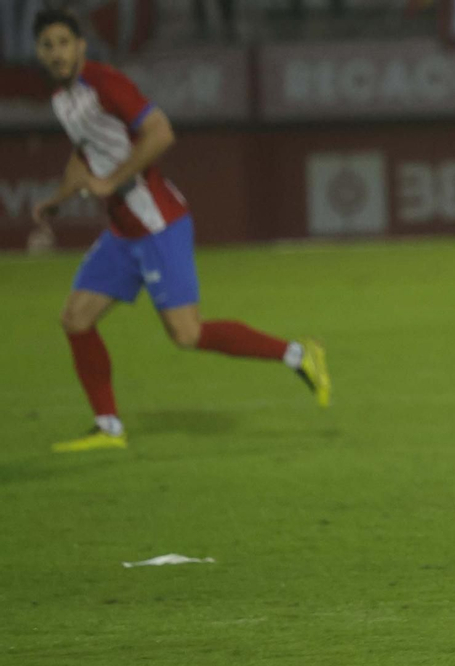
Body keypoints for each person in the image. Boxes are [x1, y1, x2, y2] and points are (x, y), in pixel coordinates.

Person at [30, 9, 330, 454]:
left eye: (63, 42)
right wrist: (56, 199)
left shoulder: (106, 84)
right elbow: (84, 154)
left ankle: (299, 355)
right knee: (75, 319)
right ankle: (109, 427)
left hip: (157, 224)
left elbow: (160, 132)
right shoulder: (63, 99)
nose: (56, 53)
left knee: (187, 334)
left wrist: (112, 182)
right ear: (39, 52)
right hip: (121, 232)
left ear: (81, 46)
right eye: (47, 45)